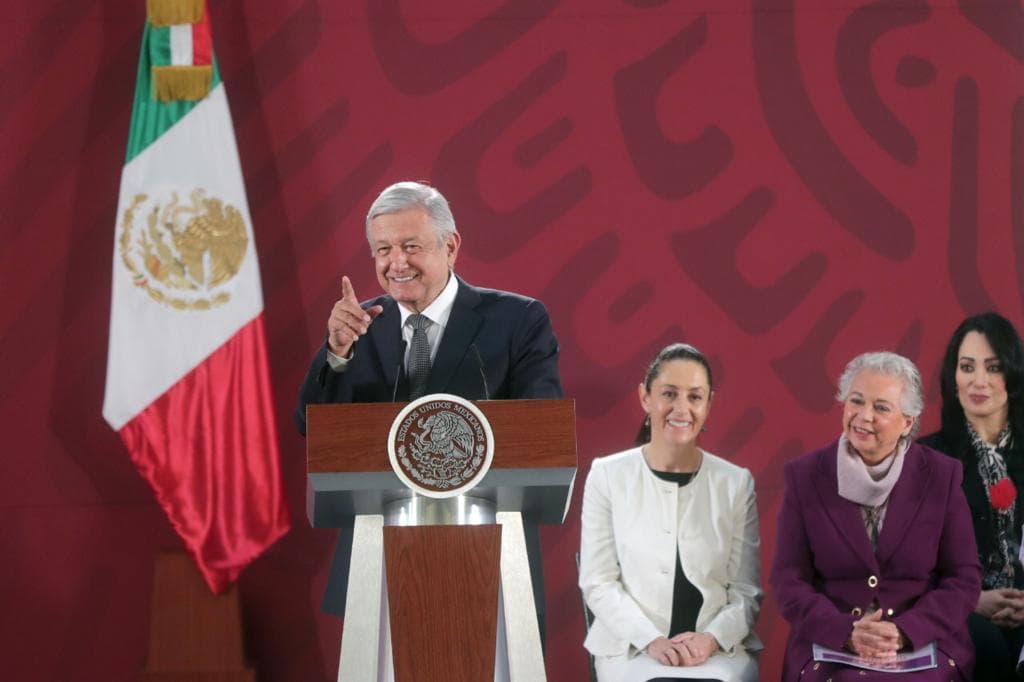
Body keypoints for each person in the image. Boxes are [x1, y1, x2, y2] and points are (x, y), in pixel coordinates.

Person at [294, 180, 562, 625]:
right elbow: (311, 426)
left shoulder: (517, 321)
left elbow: (540, 429)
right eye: (382, 250)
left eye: (410, 246)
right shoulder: (357, 326)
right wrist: (337, 354)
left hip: (487, 552)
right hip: (377, 555)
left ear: (450, 245)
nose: (396, 262)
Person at [771, 351, 981, 681]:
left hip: (923, 644)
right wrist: (846, 631)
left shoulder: (942, 476)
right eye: (856, 401)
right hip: (831, 646)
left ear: (907, 422)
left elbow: (964, 578)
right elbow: (788, 580)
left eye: (881, 408)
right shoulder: (805, 476)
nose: (863, 416)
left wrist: (904, 632)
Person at [579, 343, 762, 682]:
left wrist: (710, 640)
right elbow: (598, 582)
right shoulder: (607, 475)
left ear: (709, 404)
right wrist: (651, 640)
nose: (682, 408)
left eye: (695, 396)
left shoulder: (736, 483)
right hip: (632, 650)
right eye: (669, 394)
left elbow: (745, 592)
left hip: (717, 653)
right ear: (645, 398)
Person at [918, 312, 1024, 680]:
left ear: (1012, 374)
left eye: (993, 368)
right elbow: (907, 563)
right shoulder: (926, 460)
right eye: (967, 367)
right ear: (954, 376)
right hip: (961, 611)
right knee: (982, 642)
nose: (979, 381)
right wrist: (971, 600)